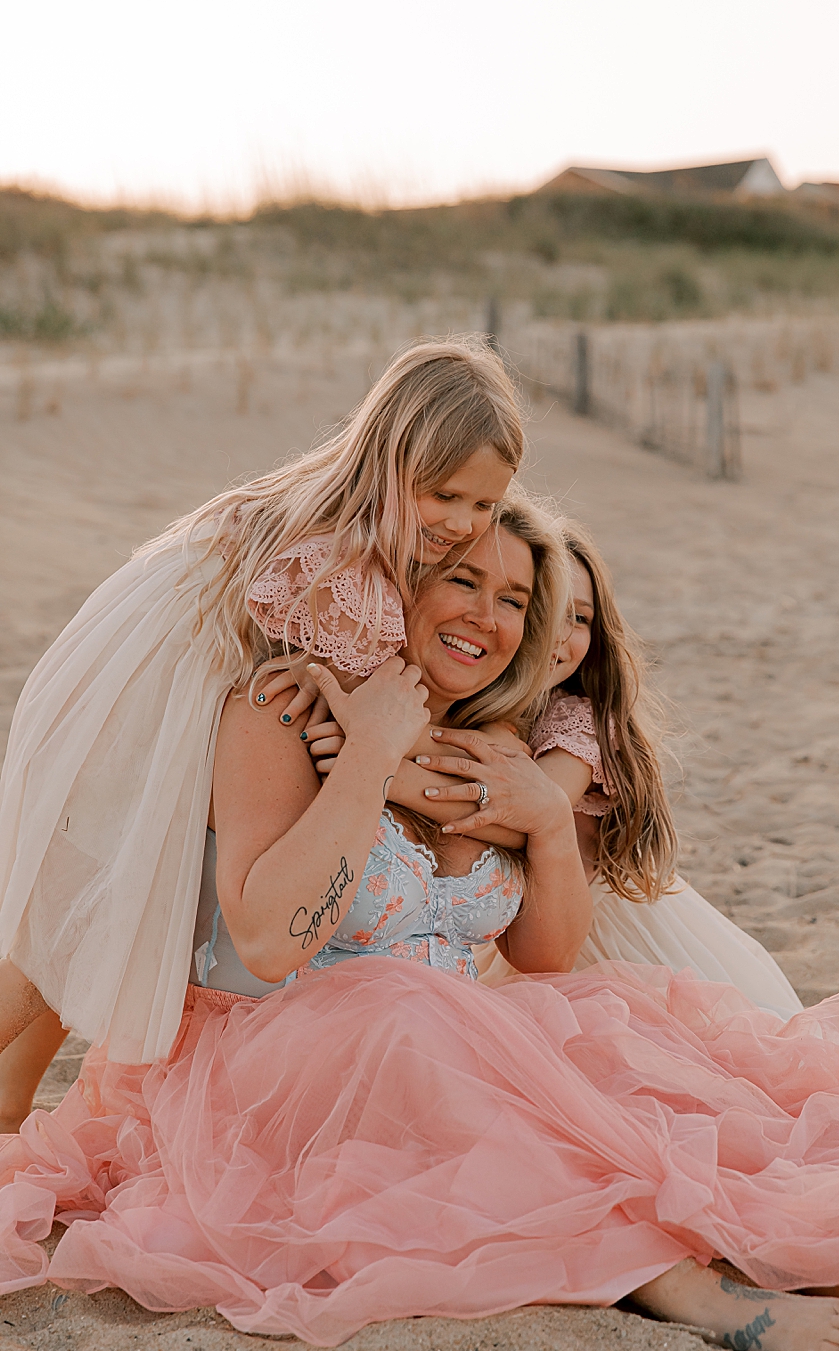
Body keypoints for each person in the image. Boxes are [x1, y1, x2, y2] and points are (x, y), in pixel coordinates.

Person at [0, 499, 839, 1351]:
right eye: (463, 579)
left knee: (627, 1065)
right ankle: (686, 1288)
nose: (488, 612)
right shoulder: (288, 708)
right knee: (412, 1022)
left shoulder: (511, 744)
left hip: (429, 1051)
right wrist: (369, 753)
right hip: (273, 1063)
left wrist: (546, 820)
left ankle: (838, 1275)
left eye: (515, 597)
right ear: (409, 584)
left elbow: (544, 957)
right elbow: (258, 937)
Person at [0, 336, 523, 1113]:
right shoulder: (345, 564)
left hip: (152, 704)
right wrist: (394, 754)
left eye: (484, 505)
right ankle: (11, 1096)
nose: (461, 522)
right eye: (444, 495)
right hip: (147, 724)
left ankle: (11, 1102)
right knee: (79, 910)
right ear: (391, 459)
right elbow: (349, 710)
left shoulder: (336, 516)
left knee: (78, 913)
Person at [426, 517, 806, 1018]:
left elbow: (534, 809)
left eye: (580, 619)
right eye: (548, 610)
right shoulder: (499, 716)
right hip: (537, 934)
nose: (562, 637)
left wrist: (392, 767)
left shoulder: (579, 719)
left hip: (616, 947)